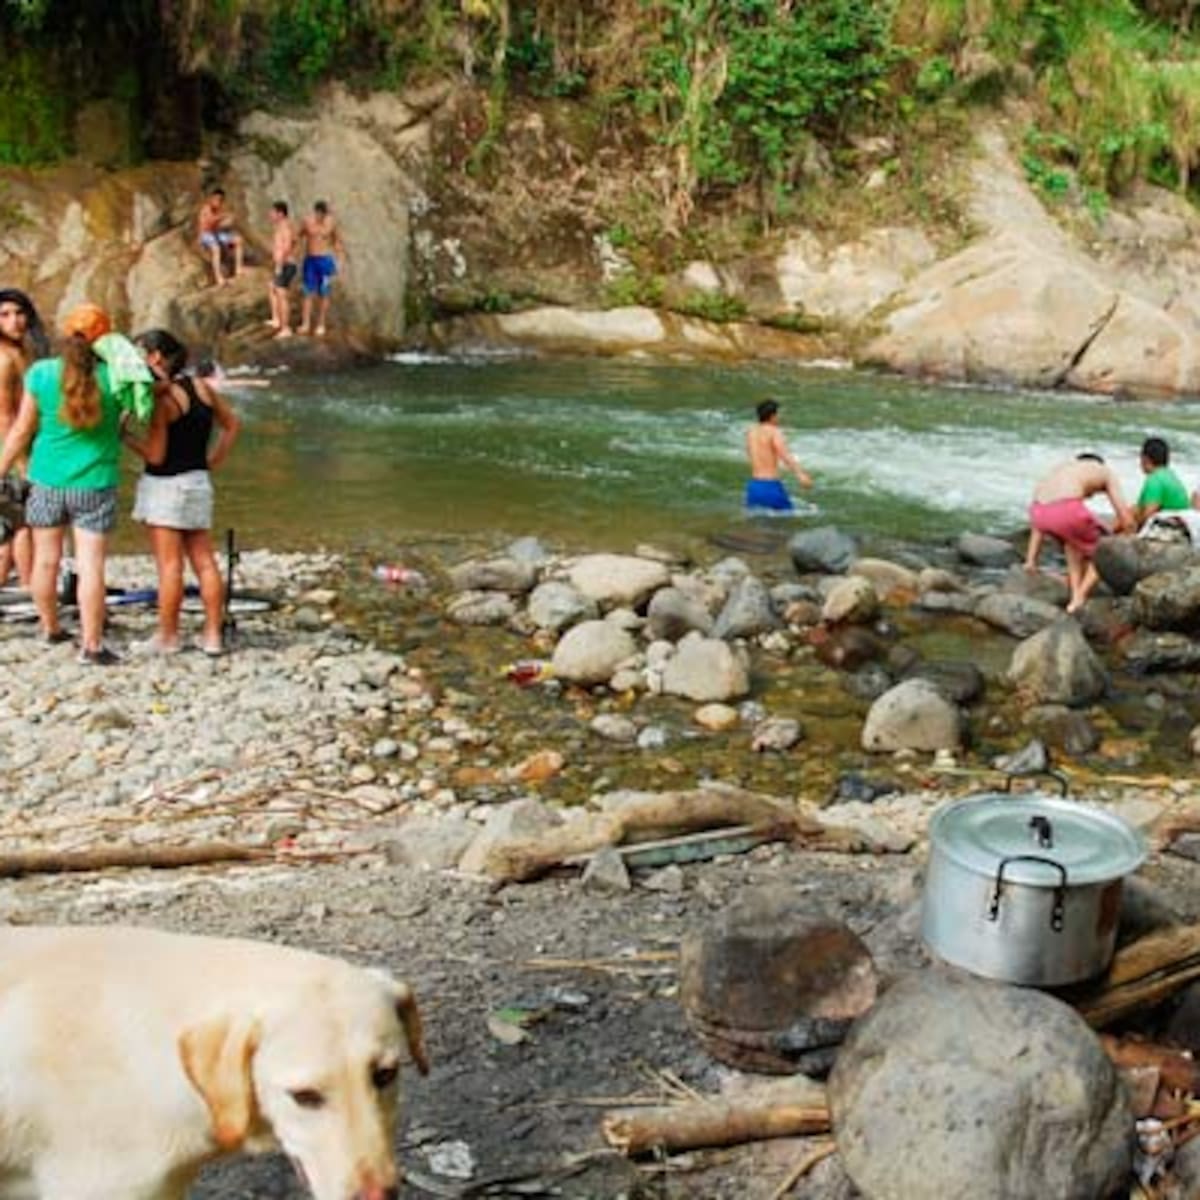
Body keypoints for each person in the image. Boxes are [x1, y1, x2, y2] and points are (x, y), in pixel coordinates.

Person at [0, 303, 124, 663]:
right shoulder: (115, 377)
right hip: (95, 482)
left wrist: (2, 468)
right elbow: (132, 419)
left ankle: (50, 629)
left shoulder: (40, 373)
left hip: (46, 480)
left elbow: (21, 431)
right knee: (91, 566)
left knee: (46, 561)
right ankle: (92, 645)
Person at [125, 329, 241, 656]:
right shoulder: (201, 386)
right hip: (198, 482)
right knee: (204, 561)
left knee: (169, 566)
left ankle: (168, 636)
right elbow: (232, 424)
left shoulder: (162, 400)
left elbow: (156, 456)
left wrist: (127, 438)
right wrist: (214, 460)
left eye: (140, 354)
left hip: (165, 487)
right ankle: (212, 636)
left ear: (156, 357)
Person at [1025, 453, 1133, 614]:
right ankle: (1080, 597)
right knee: (1104, 550)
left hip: (1038, 511)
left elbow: (1037, 524)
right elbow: (1126, 519)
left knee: (1073, 543)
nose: (1094, 495)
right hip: (1066, 511)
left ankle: (1074, 595)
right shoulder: (1105, 472)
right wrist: (1132, 539)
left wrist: (1031, 561)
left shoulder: (1062, 469)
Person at [0, 288, 47, 587]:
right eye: (5, 315)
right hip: (10, 448)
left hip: (25, 443)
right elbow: (5, 414)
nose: (14, 321)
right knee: (21, 527)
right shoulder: (4, 360)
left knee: (13, 527)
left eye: (19, 313)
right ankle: (31, 589)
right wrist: (19, 461)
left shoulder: (26, 353)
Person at [745, 399, 813, 511]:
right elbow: (785, 455)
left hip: (754, 487)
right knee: (788, 524)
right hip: (770, 486)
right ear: (772, 416)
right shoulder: (774, 432)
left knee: (757, 524)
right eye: (778, 414)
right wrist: (801, 474)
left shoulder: (751, 432)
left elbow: (750, 454)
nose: (779, 417)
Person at [297, 200, 346, 337]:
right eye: (320, 214)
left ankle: (321, 324)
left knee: (324, 293)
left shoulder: (331, 223)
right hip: (310, 260)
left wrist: (340, 260)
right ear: (316, 212)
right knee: (307, 292)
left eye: (324, 215)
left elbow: (337, 241)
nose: (322, 217)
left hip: (324, 260)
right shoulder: (307, 221)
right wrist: (294, 252)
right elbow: (298, 236)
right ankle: (305, 323)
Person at [1133, 436, 1190, 529]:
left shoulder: (1155, 479)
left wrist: (1138, 526)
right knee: (1134, 509)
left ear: (1145, 459)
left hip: (1169, 527)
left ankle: (1109, 533)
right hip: (1184, 524)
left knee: (1131, 511)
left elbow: (1149, 512)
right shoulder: (1171, 475)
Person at [197, 186, 244, 287]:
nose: (218, 202)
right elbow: (209, 223)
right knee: (216, 248)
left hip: (216, 233)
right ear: (211, 199)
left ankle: (239, 269)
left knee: (238, 240)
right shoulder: (206, 209)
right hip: (206, 235)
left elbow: (221, 225)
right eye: (216, 199)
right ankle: (219, 277)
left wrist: (228, 221)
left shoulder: (219, 210)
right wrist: (223, 217)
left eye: (220, 200)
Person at [266, 200, 297, 338]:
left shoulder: (285, 227)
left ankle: (286, 328)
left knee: (281, 294)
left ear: (280, 213)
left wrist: (280, 264)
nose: (270, 215)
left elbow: (288, 246)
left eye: (272, 212)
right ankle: (276, 318)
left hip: (286, 264)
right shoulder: (280, 226)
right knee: (272, 287)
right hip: (282, 263)